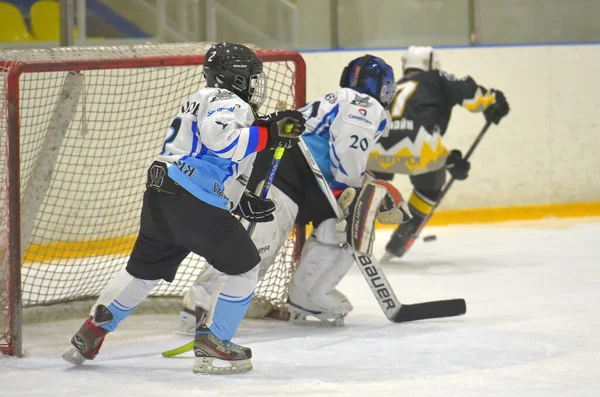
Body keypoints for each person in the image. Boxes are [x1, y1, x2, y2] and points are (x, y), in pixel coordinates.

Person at [62, 42, 305, 375]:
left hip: (162, 195)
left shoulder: (199, 99)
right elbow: (222, 142)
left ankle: (93, 330)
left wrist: (242, 198)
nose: (253, 85)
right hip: (192, 199)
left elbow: (214, 160)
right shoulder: (227, 100)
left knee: (143, 272)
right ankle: (215, 343)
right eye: (250, 77)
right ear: (235, 79)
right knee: (245, 266)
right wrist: (269, 132)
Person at [180, 54, 410, 329]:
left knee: (341, 226)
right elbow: (350, 148)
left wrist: (355, 189)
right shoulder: (365, 105)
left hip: (304, 176)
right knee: (257, 248)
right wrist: (351, 186)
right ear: (383, 88)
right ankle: (202, 304)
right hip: (285, 167)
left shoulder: (342, 99)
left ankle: (308, 295)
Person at [367, 46, 510, 260]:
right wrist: (492, 101)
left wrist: (449, 159)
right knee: (430, 187)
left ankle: (353, 231)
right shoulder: (435, 77)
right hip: (419, 150)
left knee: (370, 189)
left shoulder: (394, 86)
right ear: (432, 64)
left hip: (377, 149)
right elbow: (470, 95)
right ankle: (404, 234)